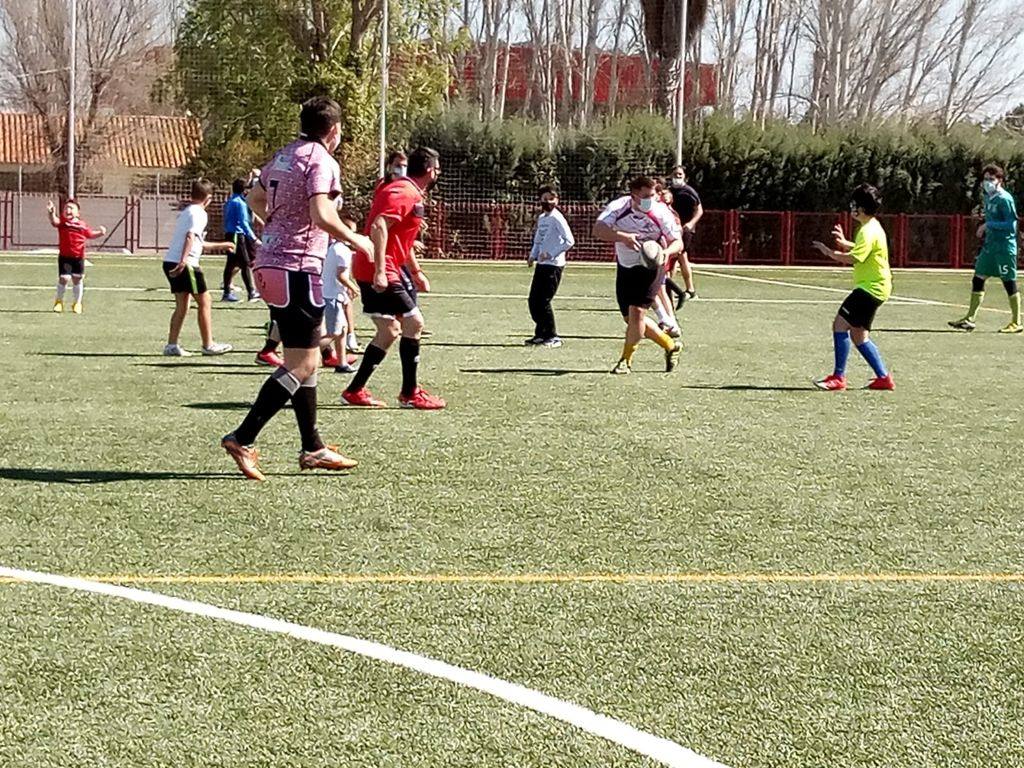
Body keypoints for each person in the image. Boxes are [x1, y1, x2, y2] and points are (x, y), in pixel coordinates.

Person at [221, 97, 373, 479]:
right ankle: (244, 436)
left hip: (269, 261)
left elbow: (256, 197)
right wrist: (358, 240)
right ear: (334, 130)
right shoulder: (321, 160)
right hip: (296, 267)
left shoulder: (285, 154)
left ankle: (313, 447)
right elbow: (322, 214)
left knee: (307, 357)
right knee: (303, 362)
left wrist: (279, 224)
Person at [342, 146, 446, 409]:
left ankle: (355, 390)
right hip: (380, 267)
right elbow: (379, 226)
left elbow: (399, 237)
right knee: (414, 323)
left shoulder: (408, 191)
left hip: (385, 266)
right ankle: (410, 393)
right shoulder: (404, 192)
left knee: (389, 331)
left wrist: (415, 270)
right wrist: (379, 269)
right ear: (432, 171)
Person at [593, 176, 683, 375]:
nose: (651, 200)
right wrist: (621, 237)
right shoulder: (619, 207)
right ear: (633, 195)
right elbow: (598, 230)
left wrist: (665, 253)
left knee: (637, 314)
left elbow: (678, 242)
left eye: (653, 195)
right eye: (646, 196)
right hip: (626, 267)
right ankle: (670, 345)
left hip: (651, 268)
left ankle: (626, 361)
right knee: (631, 319)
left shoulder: (661, 212)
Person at [811, 183, 894, 391]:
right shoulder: (873, 226)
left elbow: (856, 258)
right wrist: (845, 243)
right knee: (859, 336)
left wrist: (830, 252)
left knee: (839, 325)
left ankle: (838, 378)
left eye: (854, 204)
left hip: (869, 289)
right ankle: (884, 378)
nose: (851, 207)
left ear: (861, 208)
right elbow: (865, 249)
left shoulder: (867, 230)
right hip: (878, 288)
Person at [161, 179, 236, 357]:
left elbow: (198, 243)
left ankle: (171, 345)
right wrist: (183, 261)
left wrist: (223, 245)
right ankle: (208, 344)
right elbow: (190, 237)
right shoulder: (200, 213)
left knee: (182, 305)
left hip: (170, 261)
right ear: (208, 198)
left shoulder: (186, 212)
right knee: (205, 301)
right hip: (186, 264)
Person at [949, 164, 1021, 333]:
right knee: (978, 278)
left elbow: (1011, 225)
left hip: (1004, 247)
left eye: (992, 179)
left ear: (1000, 181)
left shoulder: (1005, 199)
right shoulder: (989, 197)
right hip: (990, 247)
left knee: (1009, 282)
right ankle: (970, 319)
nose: (988, 182)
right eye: (985, 179)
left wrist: (988, 225)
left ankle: (1016, 322)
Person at [525, 185, 575, 347]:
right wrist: (533, 255)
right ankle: (540, 333)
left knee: (544, 301)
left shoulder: (557, 218)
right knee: (533, 300)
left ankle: (553, 336)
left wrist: (551, 253)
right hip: (542, 264)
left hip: (554, 265)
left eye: (551, 199)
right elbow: (538, 240)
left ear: (557, 200)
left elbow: (569, 241)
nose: (547, 202)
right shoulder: (542, 218)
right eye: (544, 199)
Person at [47, 199, 106, 314]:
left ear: (78, 213)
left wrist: (100, 233)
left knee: (77, 279)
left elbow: (90, 234)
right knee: (64, 278)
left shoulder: (82, 225)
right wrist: (51, 213)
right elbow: (54, 221)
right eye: (66, 208)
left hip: (78, 257)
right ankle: (58, 302)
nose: (68, 210)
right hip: (65, 257)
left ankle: (77, 303)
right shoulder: (63, 223)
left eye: (71, 208)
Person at [323, 204, 361, 373]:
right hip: (331, 296)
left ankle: (342, 363)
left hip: (332, 294)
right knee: (333, 332)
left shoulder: (334, 248)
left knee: (342, 329)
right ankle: (305, 352)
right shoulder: (342, 251)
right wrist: (353, 287)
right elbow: (341, 275)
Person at [666, 166, 702, 306]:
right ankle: (669, 288)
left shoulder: (689, 192)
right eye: (675, 174)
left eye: (680, 174)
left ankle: (690, 289)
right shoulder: (669, 191)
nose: (677, 177)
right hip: (671, 228)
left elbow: (699, 210)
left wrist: (690, 224)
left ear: (684, 176)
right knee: (672, 260)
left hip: (685, 229)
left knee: (681, 256)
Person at [222, 177, 261, 302]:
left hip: (230, 233)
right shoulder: (240, 203)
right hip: (237, 235)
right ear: (244, 190)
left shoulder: (229, 201)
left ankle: (227, 293)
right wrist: (254, 238)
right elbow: (244, 223)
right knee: (245, 264)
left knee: (231, 264)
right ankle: (251, 292)